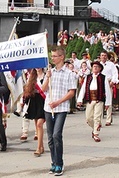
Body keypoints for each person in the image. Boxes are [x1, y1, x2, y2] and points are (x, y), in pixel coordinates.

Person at [41, 46, 76, 176]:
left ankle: (59, 163)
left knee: (56, 135)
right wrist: (47, 77)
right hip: (48, 107)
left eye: (55, 56)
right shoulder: (50, 72)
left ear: (61, 57)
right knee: (50, 138)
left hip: (61, 108)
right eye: (52, 56)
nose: (52, 58)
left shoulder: (69, 74)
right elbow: (43, 89)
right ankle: (54, 162)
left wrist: (58, 102)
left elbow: (71, 92)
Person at [77, 61, 112, 142]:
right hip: (90, 99)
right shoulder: (88, 77)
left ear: (100, 69)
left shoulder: (103, 78)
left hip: (99, 100)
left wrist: (107, 103)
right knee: (88, 118)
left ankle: (96, 133)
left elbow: (107, 91)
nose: (95, 68)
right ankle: (95, 127)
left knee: (97, 117)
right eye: (94, 67)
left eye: (97, 67)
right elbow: (83, 89)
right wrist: (79, 99)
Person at [23, 68, 46, 156]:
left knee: (40, 124)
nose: (38, 67)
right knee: (37, 125)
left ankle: (38, 148)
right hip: (34, 100)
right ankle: (41, 146)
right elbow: (27, 90)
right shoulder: (31, 77)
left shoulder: (46, 75)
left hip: (43, 101)